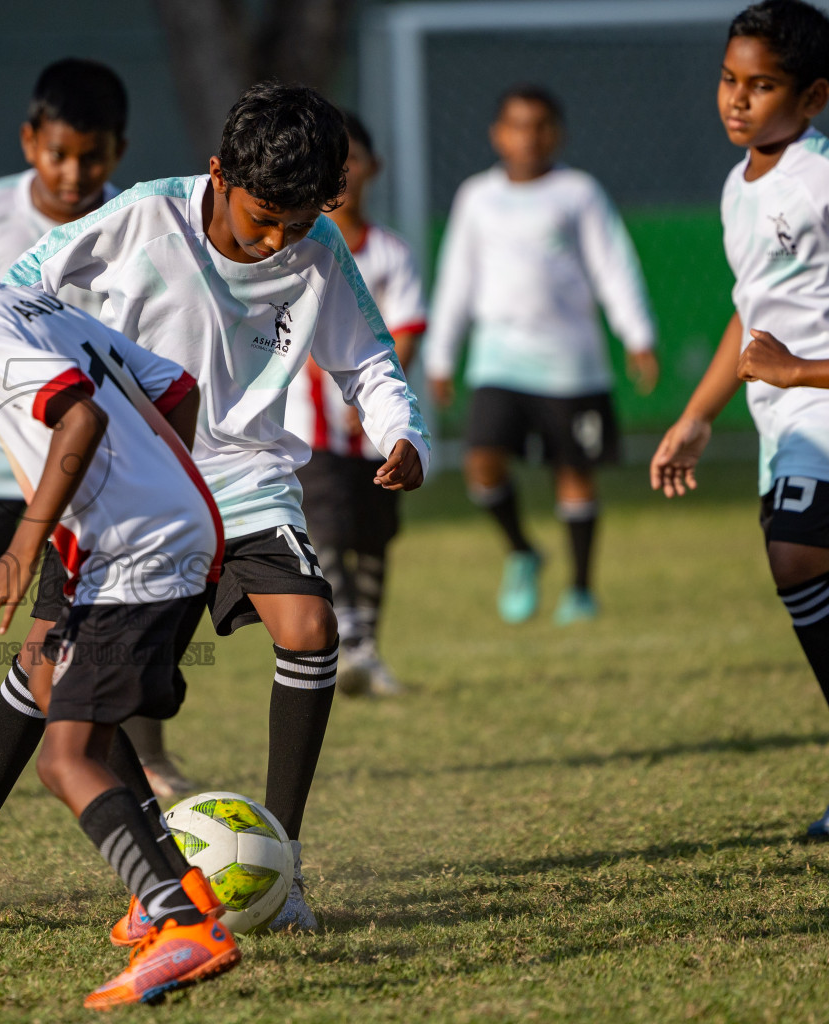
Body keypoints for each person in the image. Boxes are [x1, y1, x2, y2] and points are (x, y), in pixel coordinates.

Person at [0, 81, 428, 942]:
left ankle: (280, 868)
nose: (278, 240)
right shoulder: (144, 217)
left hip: (246, 478)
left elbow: (369, 360)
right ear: (218, 174)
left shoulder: (318, 246)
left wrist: (403, 433)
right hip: (136, 482)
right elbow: (24, 284)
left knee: (310, 627)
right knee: (43, 673)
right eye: (264, 218)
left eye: (298, 222)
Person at [0, 164, 239, 1007]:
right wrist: (139, 491)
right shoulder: (42, 308)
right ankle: (172, 891)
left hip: (135, 552)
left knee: (67, 762)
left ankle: (182, 925)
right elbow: (175, 389)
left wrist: (25, 544)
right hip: (165, 534)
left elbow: (81, 416)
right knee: (57, 688)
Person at [0, 60, 196, 806]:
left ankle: (147, 759)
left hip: (86, 452)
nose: (73, 171)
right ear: (30, 141)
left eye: (91, 156)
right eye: (59, 152)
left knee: (111, 604)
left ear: (118, 151)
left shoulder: (138, 223)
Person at [652, 0, 829, 835]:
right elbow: (748, 310)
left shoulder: (822, 180)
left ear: (815, 96)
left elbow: (781, 343)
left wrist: (798, 370)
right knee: (796, 560)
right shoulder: (739, 184)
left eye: (763, 86)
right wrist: (697, 415)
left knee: (796, 555)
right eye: (730, 79)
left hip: (818, 410)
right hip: (782, 421)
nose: (738, 100)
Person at [425, 84, 659, 626]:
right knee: (482, 459)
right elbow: (457, 279)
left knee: (573, 471)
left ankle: (580, 589)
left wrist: (637, 334)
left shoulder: (578, 193)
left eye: (540, 125)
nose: (528, 137)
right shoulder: (476, 197)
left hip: (570, 360)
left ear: (557, 134)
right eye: (517, 125)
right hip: (498, 356)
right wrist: (441, 355)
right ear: (498, 134)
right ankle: (522, 550)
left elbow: (612, 265)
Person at [286, 110, 427, 698]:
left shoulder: (391, 252)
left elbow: (406, 331)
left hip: (374, 432)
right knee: (328, 529)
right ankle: (349, 642)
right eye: (331, 165)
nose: (343, 176)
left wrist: (371, 401)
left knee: (374, 534)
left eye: (353, 163)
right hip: (309, 428)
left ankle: (366, 646)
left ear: (374, 168)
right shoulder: (293, 243)